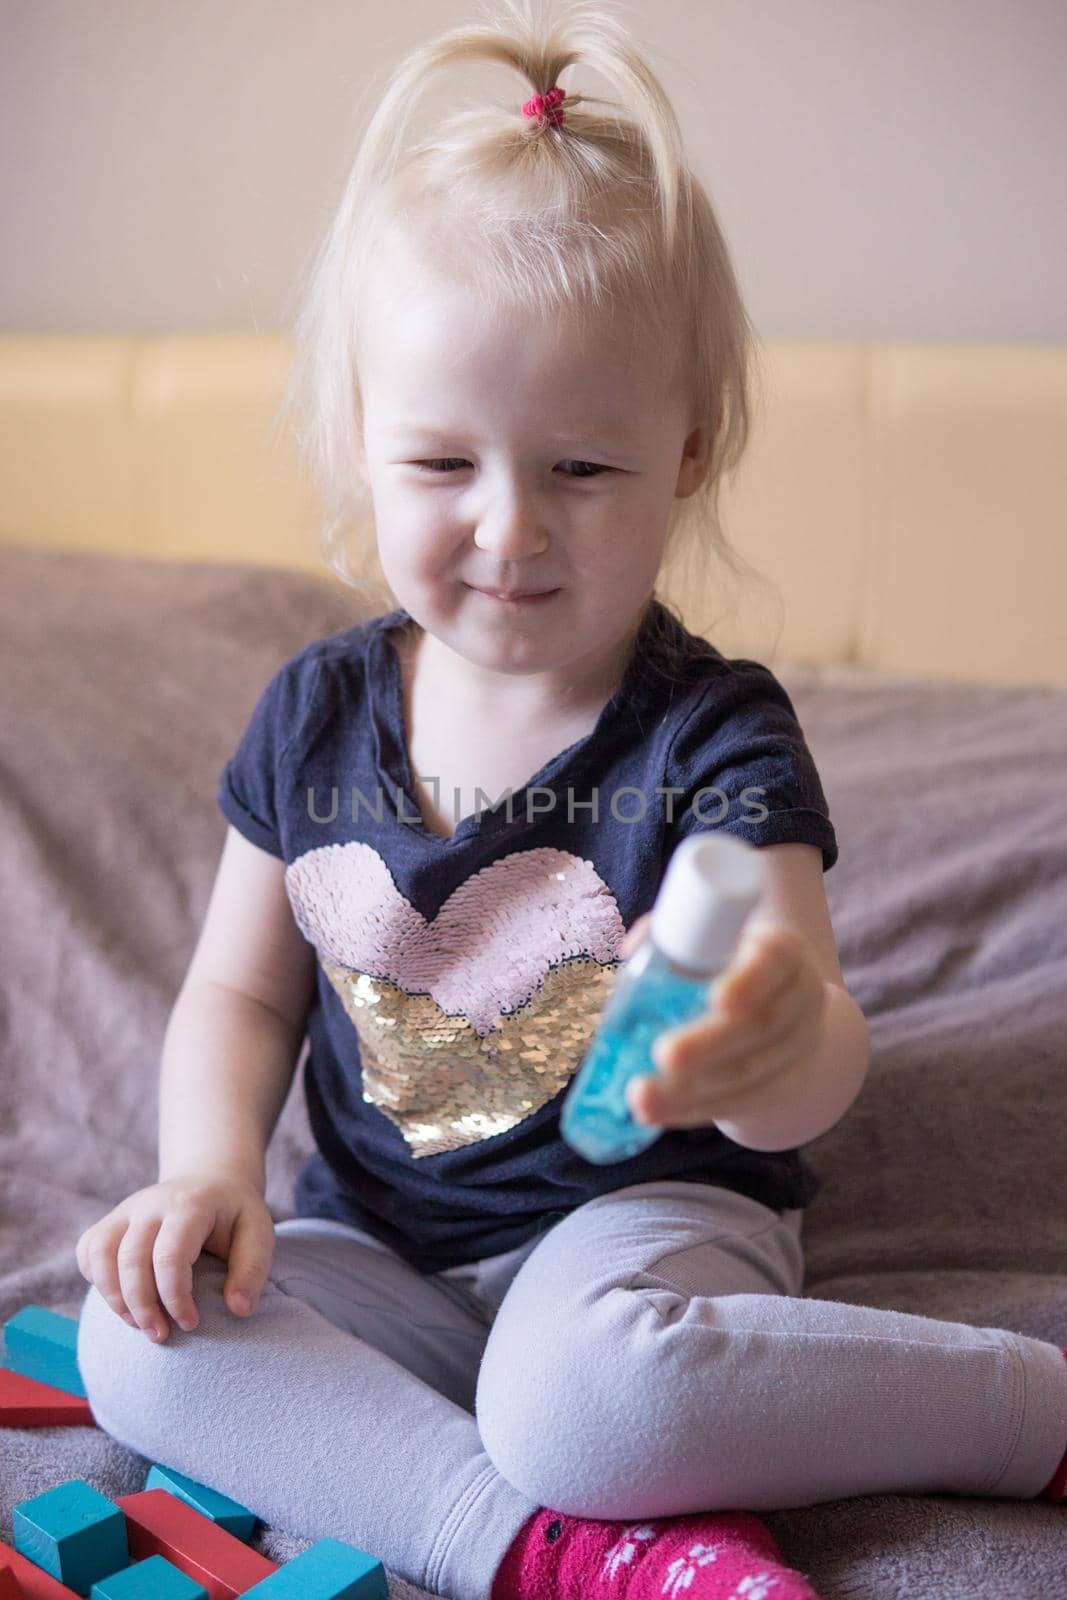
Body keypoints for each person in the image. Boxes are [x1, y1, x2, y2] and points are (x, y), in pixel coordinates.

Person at [74, 3, 1067, 1598]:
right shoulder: (313, 713)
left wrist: (763, 1049)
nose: (510, 528)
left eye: (582, 470)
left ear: (689, 451)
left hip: (636, 1230)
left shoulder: (712, 743)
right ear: (359, 442)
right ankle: (543, 1551)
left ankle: (1030, 1411)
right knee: (136, 1348)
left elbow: (808, 1040)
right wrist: (205, 1174)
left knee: (586, 1398)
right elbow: (238, 993)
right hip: (375, 1244)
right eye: (442, 464)